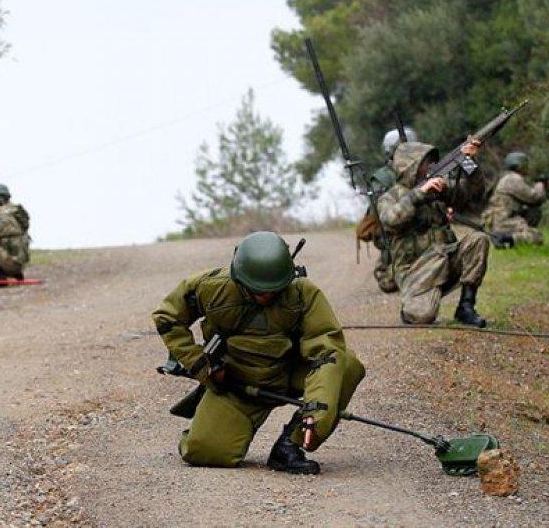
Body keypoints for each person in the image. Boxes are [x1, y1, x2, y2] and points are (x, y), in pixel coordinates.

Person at [152, 231, 364, 474]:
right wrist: (203, 366)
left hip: (289, 375)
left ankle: (289, 445)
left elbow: (327, 351)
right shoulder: (211, 288)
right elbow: (167, 317)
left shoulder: (303, 294)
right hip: (236, 383)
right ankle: (211, 424)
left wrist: (318, 411)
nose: (266, 296)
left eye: (274, 290)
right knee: (203, 452)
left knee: (346, 364)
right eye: (257, 290)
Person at [377, 140, 490, 327]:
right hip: (416, 270)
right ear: (410, 166)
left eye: (431, 161)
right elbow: (391, 220)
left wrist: (469, 162)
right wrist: (419, 194)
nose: (430, 167)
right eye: (424, 162)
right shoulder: (390, 197)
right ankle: (414, 305)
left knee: (478, 239)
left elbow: (473, 192)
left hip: (445, 259)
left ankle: (466, 307)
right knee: (421, 317)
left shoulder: (439, 190)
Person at [365, 127, 419, 293]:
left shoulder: (422, 171)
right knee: (389, 282)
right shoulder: (383, 178)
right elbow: (380, 217)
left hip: (421, 228)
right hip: (396, 231)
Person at [482, 151, 547, 245]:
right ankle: (505, 239)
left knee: (534, 211)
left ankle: (505, 237)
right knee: (537, 237)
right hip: (504, 221)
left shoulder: (506, 177)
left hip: (498, 219)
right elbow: (534, 198)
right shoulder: (513, 179)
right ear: (520, 165)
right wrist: (540, 186)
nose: (527, 168)